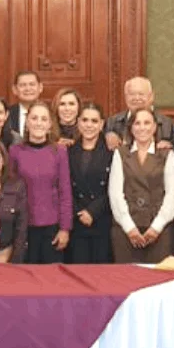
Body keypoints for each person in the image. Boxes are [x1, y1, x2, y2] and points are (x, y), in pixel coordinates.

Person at [109, 108, 174, 263]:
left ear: (154, 127)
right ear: (131, 127)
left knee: (158, 281)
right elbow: (115, 194)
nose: (142, 127)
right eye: (137, 123)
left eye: (147, 123)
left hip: (159, 230)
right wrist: (129, 228)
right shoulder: (120, 153)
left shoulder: (167, 154)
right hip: (126, 229)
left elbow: (171, 195)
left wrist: (156, 228)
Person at [8, 101, 72, 263]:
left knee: (51, 279)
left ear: (50, 125)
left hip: (52, 226)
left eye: (44, 119)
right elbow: (10, 190)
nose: (38, 123)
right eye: (34, 118)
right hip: (23, 225)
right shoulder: (15, 152)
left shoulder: (59, 152)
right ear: (27, 122)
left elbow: (65, 191)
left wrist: (65, 228)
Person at [66, 102, 114, 263]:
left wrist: (92, 211)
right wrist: (79, 212)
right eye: (85, 120)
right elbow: (64, 187)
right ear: (78, 122)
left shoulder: (111, 152)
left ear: (101, 124)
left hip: (102, 221)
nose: (89, 125)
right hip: (76, 221)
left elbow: (113, 188)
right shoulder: (68, 151)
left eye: (94, 121)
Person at [103, 76, 174, 150]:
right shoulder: (112, 123)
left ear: (151, 97)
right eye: (132, 94)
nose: (137, 98)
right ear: (125, 97)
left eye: (141, 94)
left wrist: (169, 146)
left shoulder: (168, 125)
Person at [5, 70, 45, 138]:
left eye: (32, 84)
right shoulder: (6, 114)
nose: (28, 89)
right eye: (23, 85)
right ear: (15, 89)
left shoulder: (51, 113)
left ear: (40, 87)